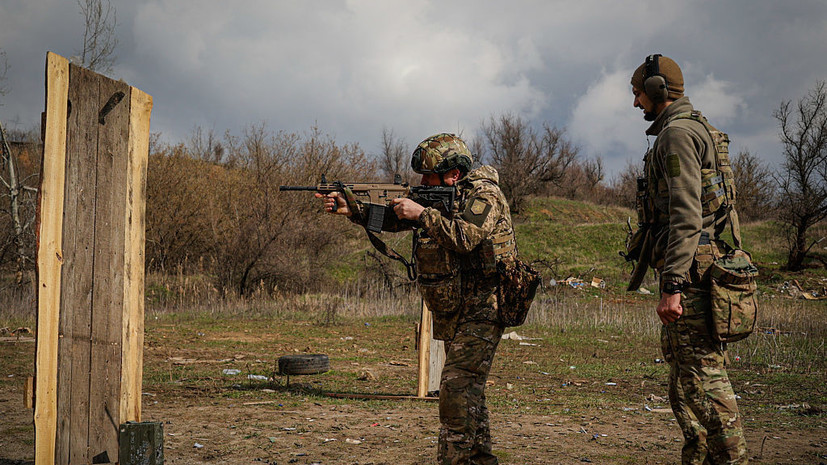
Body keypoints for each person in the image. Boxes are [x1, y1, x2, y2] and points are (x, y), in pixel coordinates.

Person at [317, 133, 516, 465]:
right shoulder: (439, 196)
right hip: (456, 309)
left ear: (453, 174)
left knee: (454, 391)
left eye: (429, 176)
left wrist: (421, 213)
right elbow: (395, 220)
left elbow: (466, 237)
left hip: (486, 305)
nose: (422, 182)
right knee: (468, 394)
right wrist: (354, 210)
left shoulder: (486, 195)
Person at [629, 54, 748, 464]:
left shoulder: (677, 136)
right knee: (684, 384)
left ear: (658, 91)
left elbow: (686, 215)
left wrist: (673, 286)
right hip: (699, 271)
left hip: (692, 279)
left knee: (703, 383)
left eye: (638, 94)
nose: (636, 104)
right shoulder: (699, 129)